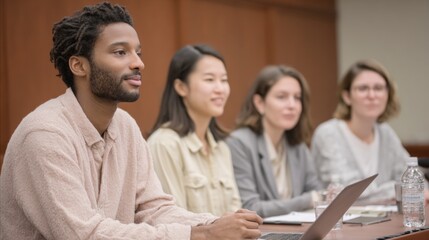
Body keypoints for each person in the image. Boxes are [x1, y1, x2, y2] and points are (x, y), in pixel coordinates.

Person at [0, 3, 262, 239]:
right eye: (120, 52)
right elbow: (83, 234)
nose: (138, 63)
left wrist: (217, 224)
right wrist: (201, 235)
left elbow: (153, 208)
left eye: (138, 52)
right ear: (79, 66)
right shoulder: (44, 133)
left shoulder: (125, 126)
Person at [148, 44, 241, 217]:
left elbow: (236, 215)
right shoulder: (164, 144)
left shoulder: (222, 148)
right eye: (209, 79)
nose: (220, 89)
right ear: (181, 87)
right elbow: (172, 219)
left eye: (224, 80)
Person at [226, 65, 323, 218]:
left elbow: (319, 194)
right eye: (281, 97)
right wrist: (308, 200)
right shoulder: (239, 143)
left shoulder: (298, 145)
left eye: (297, 98)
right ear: (260, 103)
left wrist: (314, 198)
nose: (292, 105)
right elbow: (250, 208)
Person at [311, 59, 409, 202]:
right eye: (363, 88)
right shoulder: (328, 134)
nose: (372, 95)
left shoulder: (386, 132)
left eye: (378, 88)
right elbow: (349, 194)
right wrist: (398, 189)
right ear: (347, 97)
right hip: (341, 223)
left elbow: (414, 178)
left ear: (388, 95)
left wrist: (405, 188)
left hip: (383, 221)